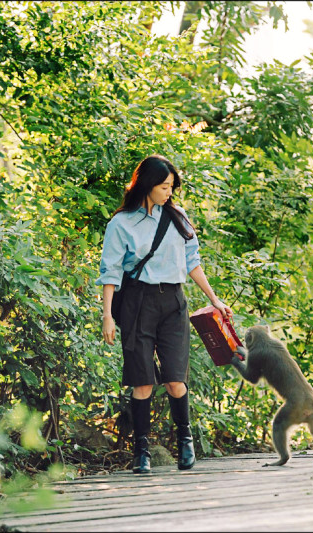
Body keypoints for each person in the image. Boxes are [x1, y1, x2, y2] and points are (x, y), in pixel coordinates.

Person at [97, 154, 232, 474]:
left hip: (173, 303)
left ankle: (185, 442)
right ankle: (141, 451)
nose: (169, 192)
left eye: (172, 187)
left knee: (175, 380)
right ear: (146, 185)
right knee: (141, 382)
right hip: (137, 305)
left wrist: (214, 299)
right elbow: (111, 271)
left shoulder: (178, 217)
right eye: (163, 187)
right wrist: (107, 315)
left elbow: (192, 262)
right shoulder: (121, 224)